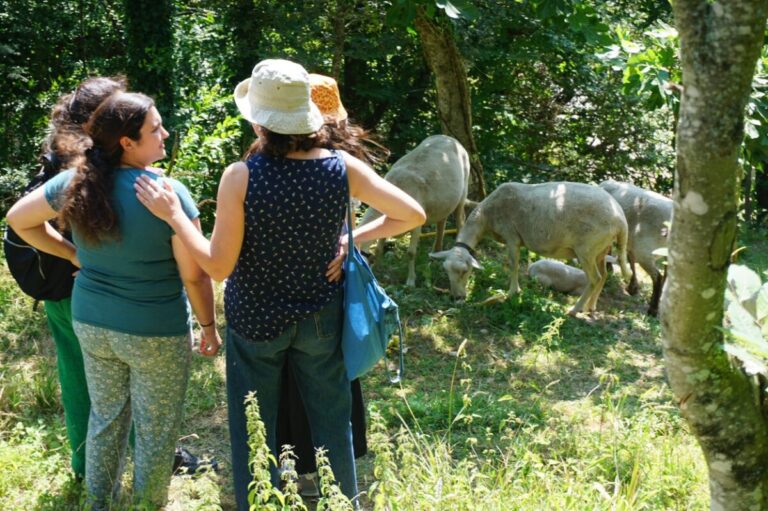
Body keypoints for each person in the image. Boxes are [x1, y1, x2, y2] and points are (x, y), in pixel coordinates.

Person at [133, 59, 425, 508]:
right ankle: (340, 502)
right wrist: (353, 237)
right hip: (321, 319)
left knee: (255, 425)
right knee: (333, 423)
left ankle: (262, 503)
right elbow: (412, 214)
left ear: (258, 120)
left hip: (256, 322)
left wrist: (173, 215)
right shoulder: (341, 166)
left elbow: (218, 266)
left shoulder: (241, 175)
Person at [7, 91, 222, 509]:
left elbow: (19, 220)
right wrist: (209, 326)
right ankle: (146, 504)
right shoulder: (167, 193)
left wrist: (74, 255)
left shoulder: (77, 180)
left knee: (105, 418)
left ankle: (98, 502)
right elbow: (194, 276)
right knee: (156, 429)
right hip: (155, 331)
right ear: (126, 141)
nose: (164, 134)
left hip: (91, 321)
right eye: (155, 128)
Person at [275, 72, 389, 495]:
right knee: (327, 374)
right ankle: (331, 465)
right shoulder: (341, 159)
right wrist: (352, 239)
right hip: (327, 282)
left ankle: (300, 466)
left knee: (300, 375)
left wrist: (352, 238)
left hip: (308, 280)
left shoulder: (329, 160)